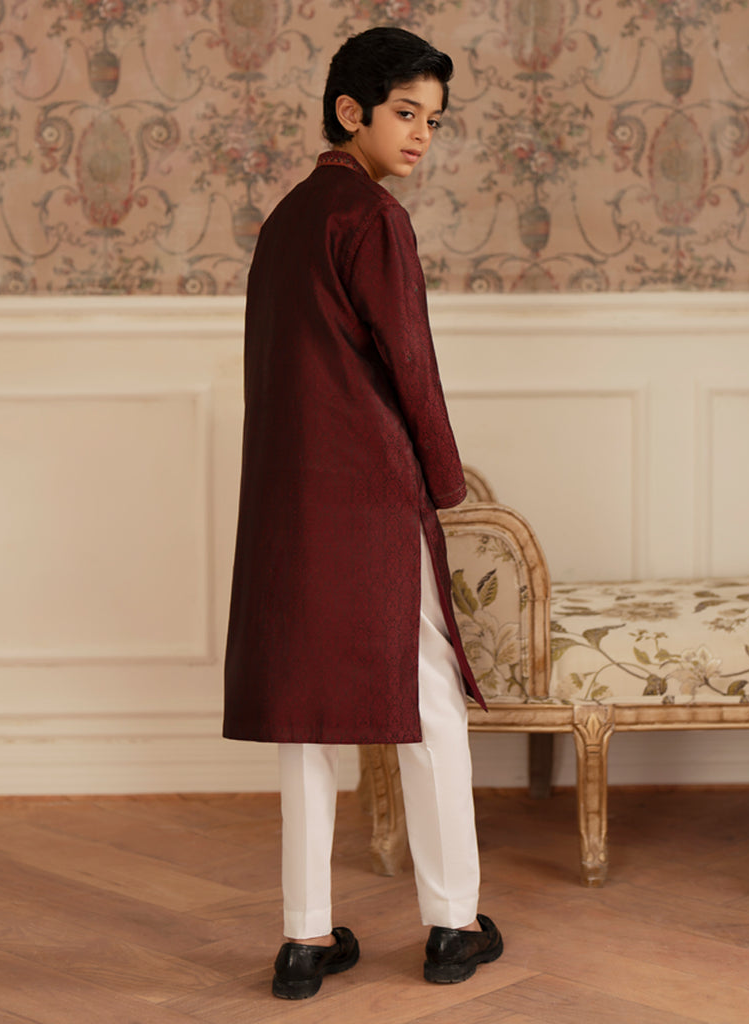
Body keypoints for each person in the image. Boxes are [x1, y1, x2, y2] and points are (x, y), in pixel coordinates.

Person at [223, 26, 503, 1000]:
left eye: (433, 119)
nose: (420, 134)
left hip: (287, 500)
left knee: (305, 717)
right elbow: (408, 364)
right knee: (426, 695)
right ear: (350, 111)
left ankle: (303, 941)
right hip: (372, 496)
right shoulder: (373, 217)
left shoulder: (286, 221)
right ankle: (452, 923)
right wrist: (443, 480)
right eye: (404, 113)